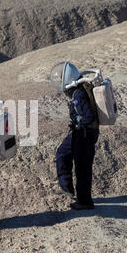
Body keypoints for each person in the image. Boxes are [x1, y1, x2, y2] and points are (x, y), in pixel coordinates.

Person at [52, 62, 99, 210]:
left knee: (82, 167)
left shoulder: (78, 94)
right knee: (62, 153)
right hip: (81, 132)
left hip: (84, 134)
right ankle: (66, 186)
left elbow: (89, 116)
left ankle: (85, 201)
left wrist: (80, 125)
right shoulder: (80, 90)